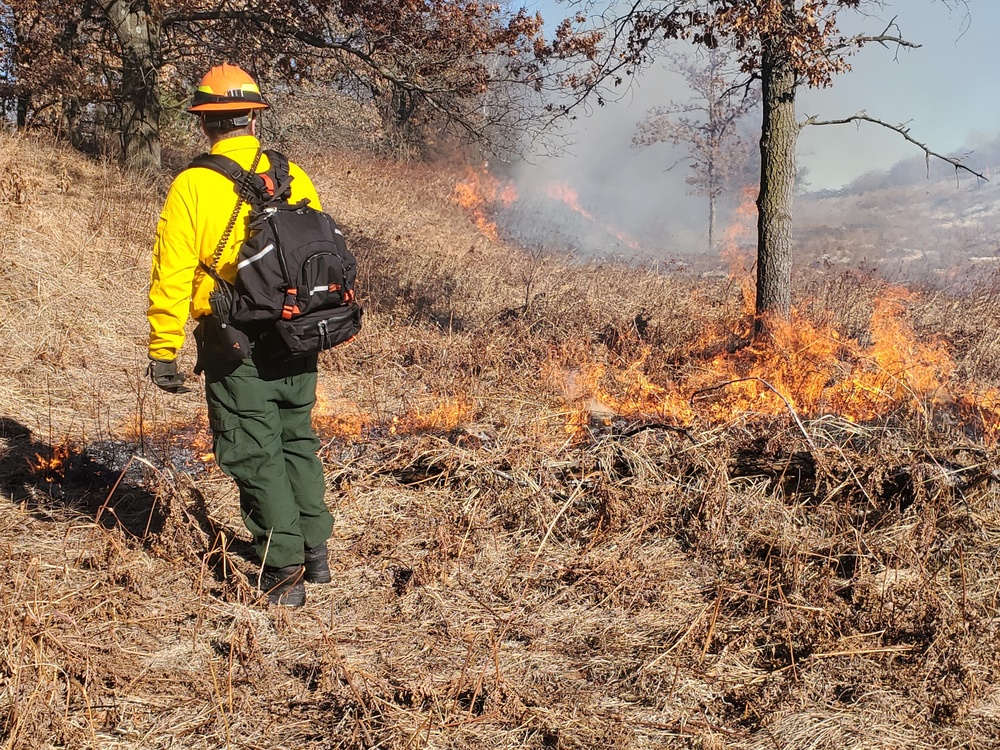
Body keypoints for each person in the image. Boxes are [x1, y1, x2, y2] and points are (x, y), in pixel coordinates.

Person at [146, 63, 333, 607]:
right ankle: (315, 551)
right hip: (299, 334)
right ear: (254, 116)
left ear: (204, 122)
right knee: (296, 437)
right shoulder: (293, 173)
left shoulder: (193, 185)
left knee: (252, 449)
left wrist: (163, 349)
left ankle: (281, 573)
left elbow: (172, 273)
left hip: (235, 342)